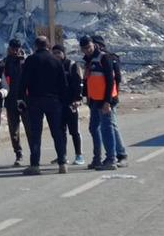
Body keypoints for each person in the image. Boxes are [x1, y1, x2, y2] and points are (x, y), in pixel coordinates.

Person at [19, 36, 68, 176]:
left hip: (35, 101)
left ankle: (35, 165)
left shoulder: (31, 60)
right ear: (49, 45)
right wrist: (63, 101)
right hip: (54, 101)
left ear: (36, 46)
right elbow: (63, 84)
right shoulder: (56, 61)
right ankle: (62, 163)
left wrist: (20, 98)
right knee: (57, 133)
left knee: (36, 133)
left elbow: (23, 81)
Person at [80, 36, 118, 171]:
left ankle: (111, 159)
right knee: (94, 128)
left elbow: (110, 81)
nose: (87, 50)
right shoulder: (89, 61)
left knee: (106, 129)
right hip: (94, 100)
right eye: (84, 49)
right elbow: (88, 81)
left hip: (104, 101)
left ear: (93, 45)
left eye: (88, 47)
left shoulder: (104, 58)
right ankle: (97, 158)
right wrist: (86, 96)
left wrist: (107, 101)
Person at [92, 35, 128, 167]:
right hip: (97, 98)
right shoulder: (94, 59)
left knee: (110, 126)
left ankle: (120, 154)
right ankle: (109, 155)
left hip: (108, 98)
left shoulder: (108, 58)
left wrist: (111, 98)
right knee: (104, 126)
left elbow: (115, 79)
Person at [52, 44, 85, 166]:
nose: (56, 55)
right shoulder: (53, 66)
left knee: (74, 131)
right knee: (60, 132)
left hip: (71, 104)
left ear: (63, 53)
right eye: (54, 53)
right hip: (57, 104)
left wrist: (78, 99)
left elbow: (78, 83)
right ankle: (62, 155)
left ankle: (79, 155)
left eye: (58, 53)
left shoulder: (71, 65)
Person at [3, 38, 29, 167]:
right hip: (11, 100)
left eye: (17, 48)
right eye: (13, 48)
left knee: (29, 127)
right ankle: (18, 153)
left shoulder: (26, 61)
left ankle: (34, 152)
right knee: (14, 130)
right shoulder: (5, 62)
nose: (15, 51)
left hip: (25, 100)